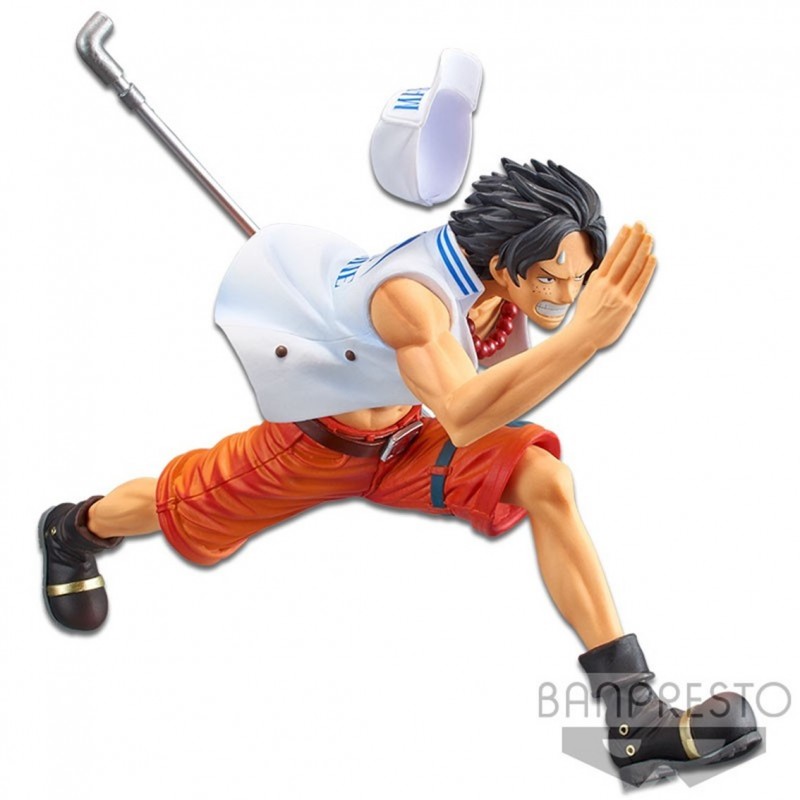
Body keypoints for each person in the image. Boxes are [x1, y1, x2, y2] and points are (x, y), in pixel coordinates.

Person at [40, 158, 760, 785]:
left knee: (547, 481)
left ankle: (634, 716)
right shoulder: (411, 297)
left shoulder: (491, 281)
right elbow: (468, 416)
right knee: (178, 503)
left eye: (578, 280)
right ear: (504, 262)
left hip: (410, 442)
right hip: (319, 450)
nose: (564, 297)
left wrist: (561, 322)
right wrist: (587, 339)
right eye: (551, 278)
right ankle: (74, 530)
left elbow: (473, 400)